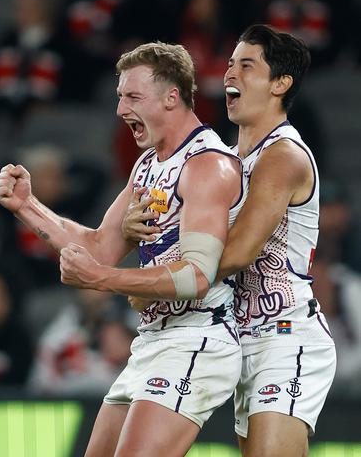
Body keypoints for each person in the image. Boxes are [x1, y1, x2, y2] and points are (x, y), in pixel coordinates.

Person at [0, 42, 244, 457]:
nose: (120, 109)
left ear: (171, 97)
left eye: (132, 97)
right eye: (119, 97)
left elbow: (197, 275)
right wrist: (28, 206)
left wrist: (101, 280)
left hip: (198, 338)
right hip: (152, 341)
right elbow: (98, 248)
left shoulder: (206, 165)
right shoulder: (148, 165)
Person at [122, 24, 336, 456]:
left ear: (281, 83)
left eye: (247, 65)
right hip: (237, 333)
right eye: (231, 63)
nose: (229, 74)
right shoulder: (228, 158)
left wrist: (158, 281)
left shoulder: (283, 155)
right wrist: (135, 231)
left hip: (284, 335)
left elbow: (237, 252)